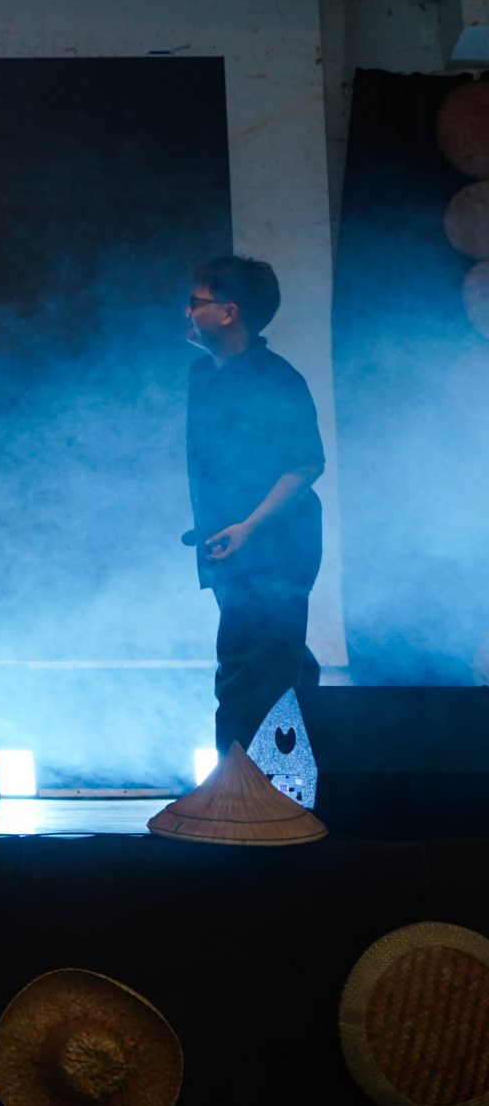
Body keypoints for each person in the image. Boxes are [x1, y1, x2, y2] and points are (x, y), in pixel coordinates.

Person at [185, 255, 324, 752]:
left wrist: (250, 526)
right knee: (275, 665)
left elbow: (306, 464)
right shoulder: (203, 375)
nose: (188, 311)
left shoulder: (276, 379)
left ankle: (243, 789)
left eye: (198, 302)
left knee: (247, 675)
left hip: (274, 548)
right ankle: (285, 777)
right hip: (228, 547)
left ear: (229, 312)